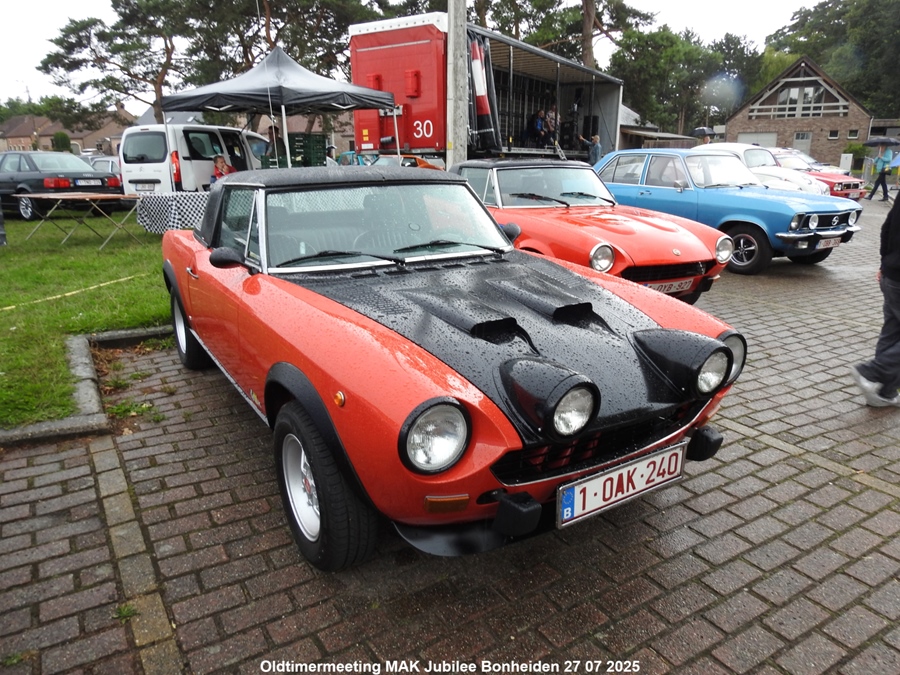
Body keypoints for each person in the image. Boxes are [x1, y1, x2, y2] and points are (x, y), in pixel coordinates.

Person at [851, 197, 900, 406]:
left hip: (892, 275)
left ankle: (884, 392)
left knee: (893, 332)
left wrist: (884, 264)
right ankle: (871, 372)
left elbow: (886, 228)